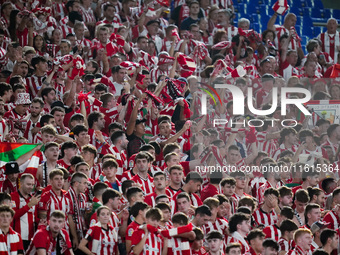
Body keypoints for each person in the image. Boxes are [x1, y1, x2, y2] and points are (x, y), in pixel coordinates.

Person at [11, 174, 40, 250]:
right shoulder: (13, 197)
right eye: (28, 184)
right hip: (17, 237)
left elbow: (34, 217)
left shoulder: (33, 198)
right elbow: (12, 216)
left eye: (32, 185)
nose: (31, 187)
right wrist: (29, 205)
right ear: (21, 183)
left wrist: (41, 221)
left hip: (31, 238)